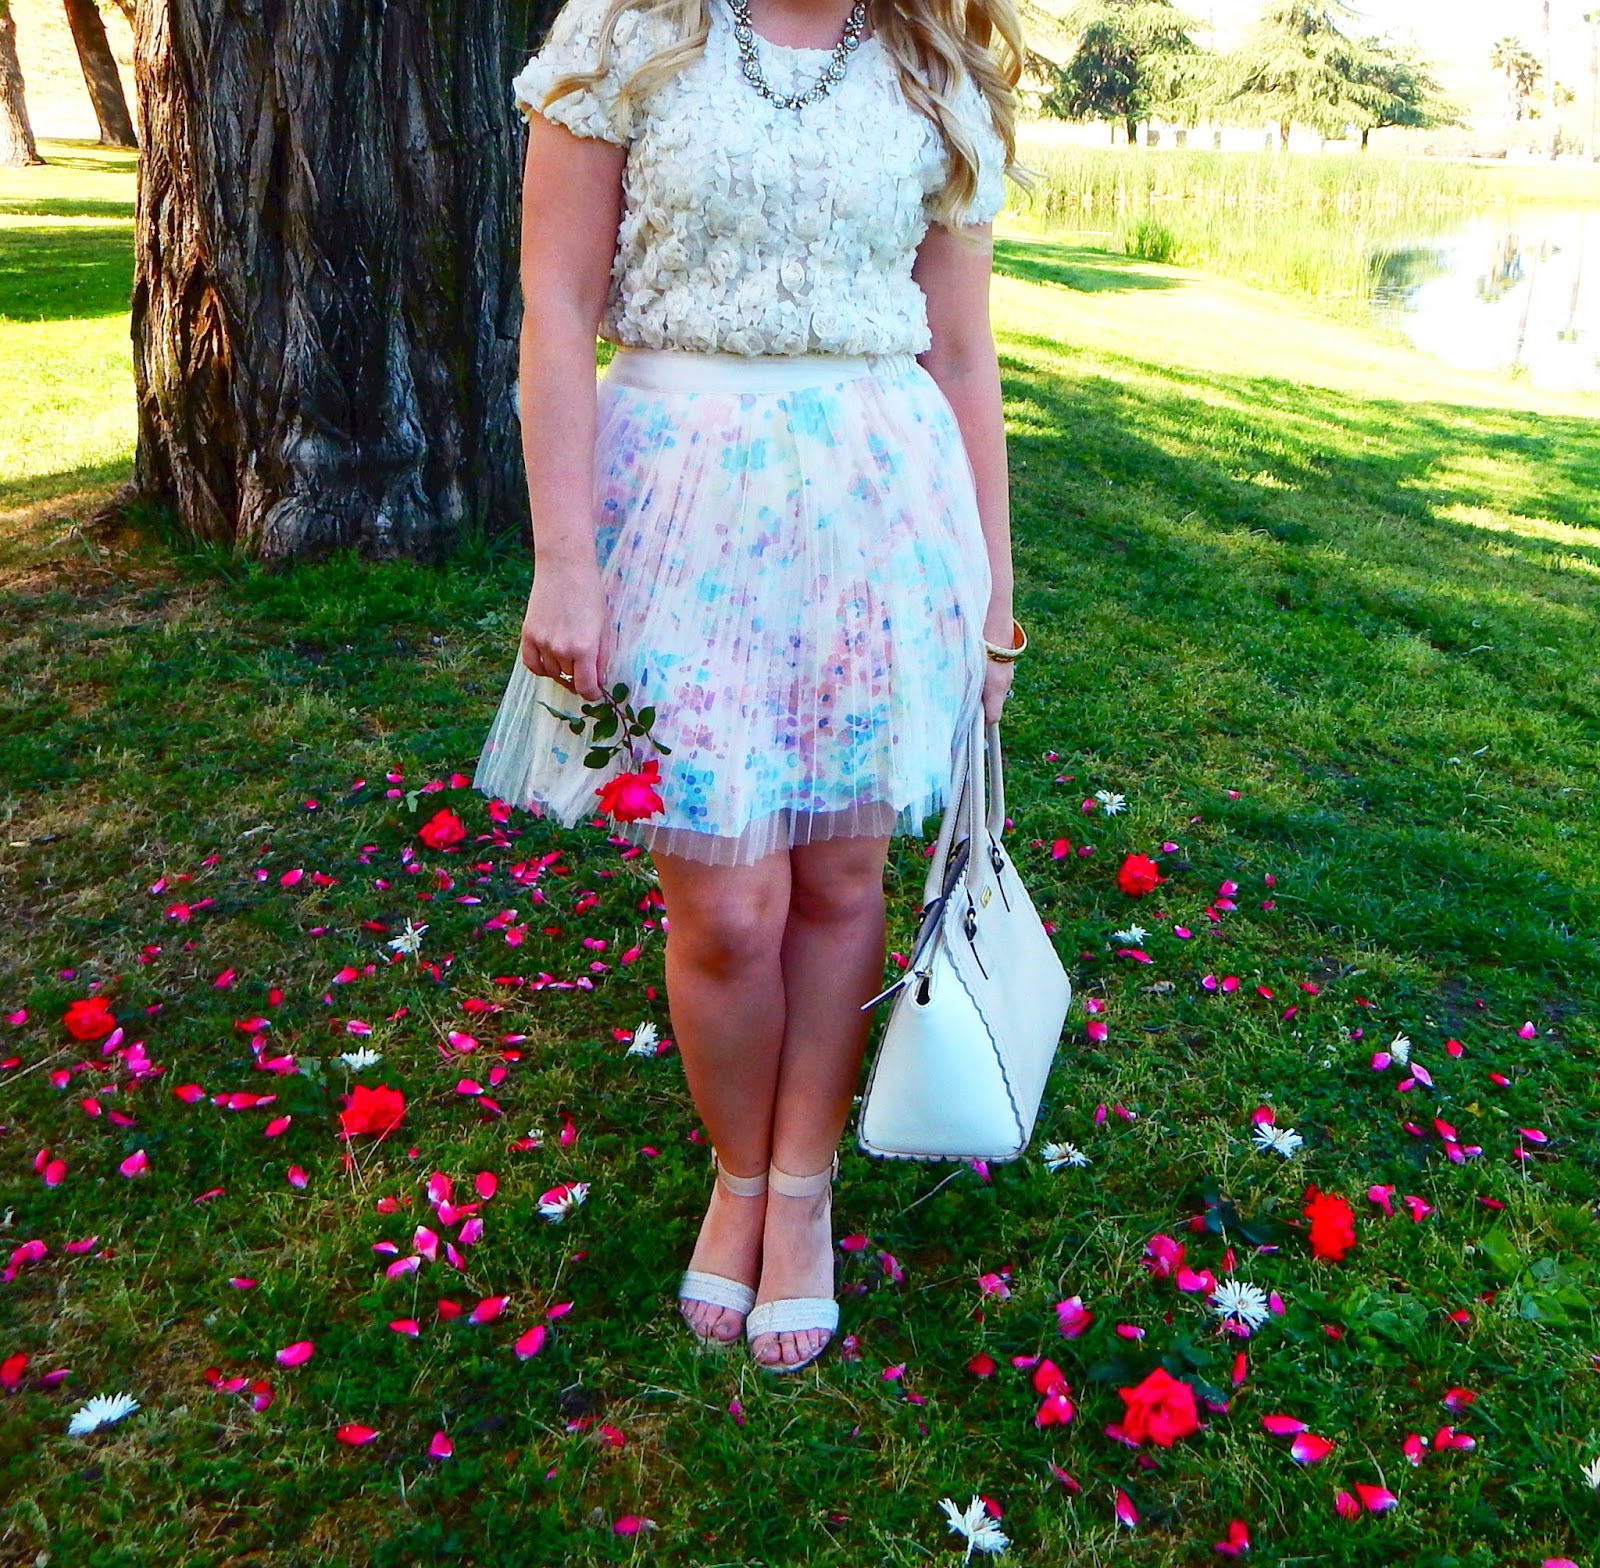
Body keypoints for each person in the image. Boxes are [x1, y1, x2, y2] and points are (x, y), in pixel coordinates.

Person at [473, 0, 1028, 1373]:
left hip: (882, 513)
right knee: (726, 901)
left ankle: (799, 1184)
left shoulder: (935, 65)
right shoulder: (621, 35)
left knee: (842, 881)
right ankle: (737, 1171)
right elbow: (557, 302)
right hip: (677, 513)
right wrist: (563, 562)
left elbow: (960, 354)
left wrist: (993, 600)